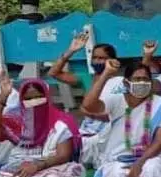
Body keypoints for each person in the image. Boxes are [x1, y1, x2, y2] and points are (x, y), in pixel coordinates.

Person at [48, 33, 125, 167]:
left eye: (102, 58)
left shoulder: (120, 83)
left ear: (112, 60)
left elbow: (116, 115)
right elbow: (53, 73)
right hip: (87, 131)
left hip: (109, 132)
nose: (96, 61)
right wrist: (71, 51)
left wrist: (88, 112)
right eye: (94, 57)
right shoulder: (87, 78)